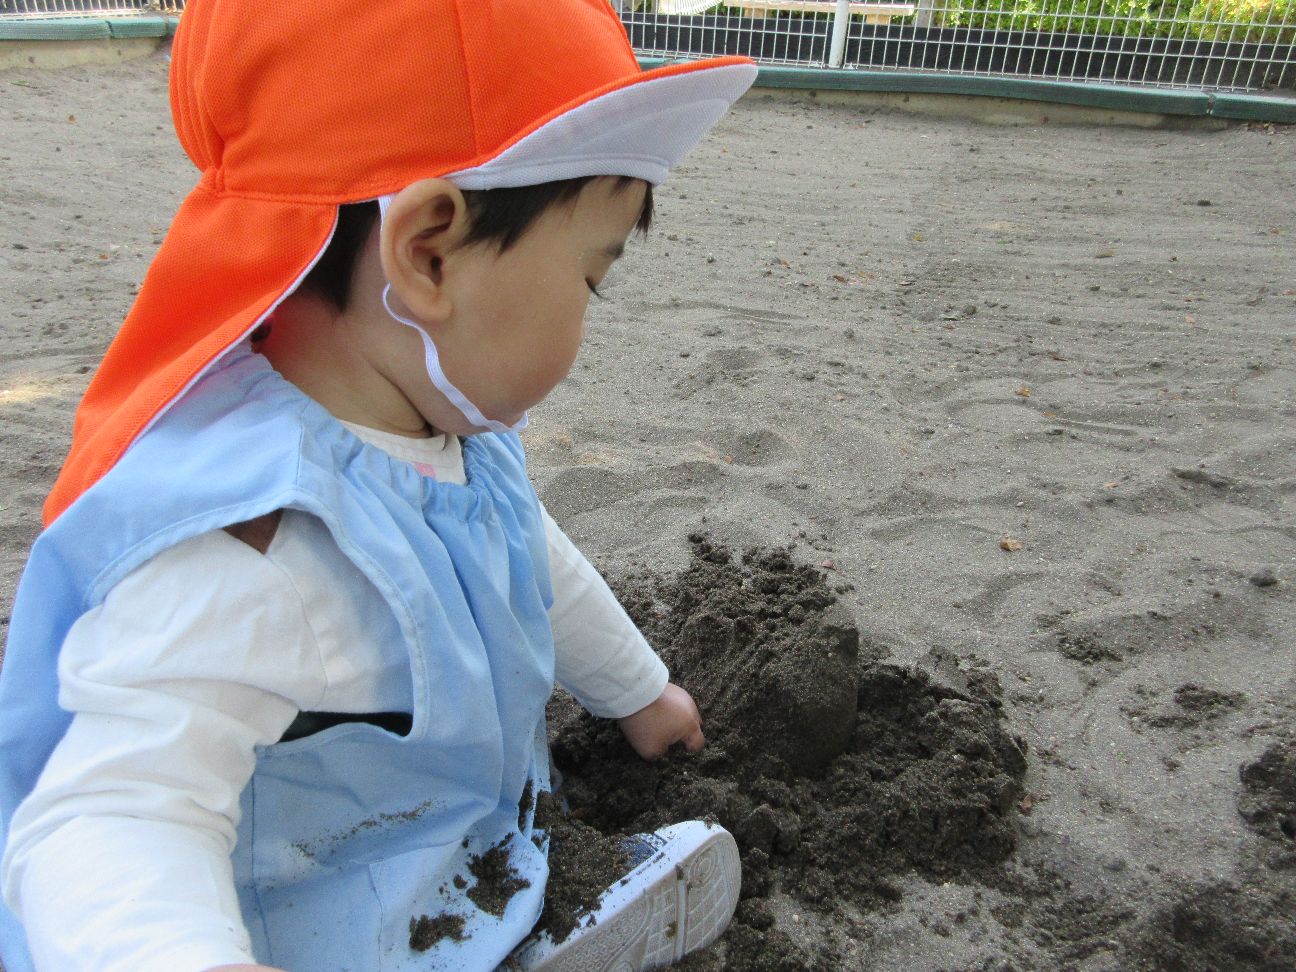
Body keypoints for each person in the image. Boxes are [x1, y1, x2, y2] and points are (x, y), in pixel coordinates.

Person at [0, 1, 756, 969]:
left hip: (445, 847)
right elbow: (112, 813)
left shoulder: (449, 430)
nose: (587, 314)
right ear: (428, 252)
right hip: (309, 920)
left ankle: (520, 900)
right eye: (589, 279)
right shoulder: (257, 541)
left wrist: (640, 693)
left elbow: (531, 559)